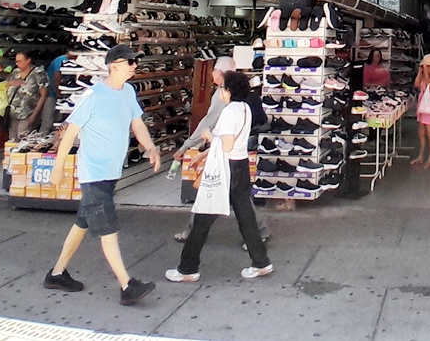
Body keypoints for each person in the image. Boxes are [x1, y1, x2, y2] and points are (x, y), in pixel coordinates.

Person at [43, 44, 160, 306]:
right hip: (93, 173)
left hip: (110, 173)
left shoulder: (128, 92)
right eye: (130, 62)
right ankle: (127, 285)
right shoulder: (92, 95)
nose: (134, 66)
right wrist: (58, 168)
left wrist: (150, 147)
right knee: (108, 228)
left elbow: (137, 123)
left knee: (83, 223)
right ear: (115, 66)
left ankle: (57, 274)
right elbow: (70, 133)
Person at [166, 70, 274, 282]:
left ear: (229, 90)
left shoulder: (228, 112)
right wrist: (205, 153)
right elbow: (234, 144)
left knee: (203, 217)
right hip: (240, 165)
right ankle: (261, 262)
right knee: (246, 216)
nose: (220, 91)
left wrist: (208, 136)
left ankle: (187, 269)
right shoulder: (244, 108)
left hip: (225, 169)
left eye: (222, 87)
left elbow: (226, 144)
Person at [7, 51, 49, 141]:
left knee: (23, 137)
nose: (17, 64)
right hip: (13, 111)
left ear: (28, 60)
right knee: (12, 139)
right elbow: (8, 86)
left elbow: (43, 95)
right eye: (16, 61)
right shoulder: (15, 72)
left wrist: (34, 115)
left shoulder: (38, 73)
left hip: (28, 112)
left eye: (20, 61)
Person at [410, 54, 430, 168]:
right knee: (421, 132)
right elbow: (416, 84)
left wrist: (426, 73)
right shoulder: (424, 76)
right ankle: (421, 156)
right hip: (422, 107)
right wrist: (420, 73)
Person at [39, 53, 67, 134]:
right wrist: (59, 95)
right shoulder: (60, 60)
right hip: (51, 94)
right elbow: (56, 78)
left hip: (60, 94)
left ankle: (52, 139)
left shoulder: (64, 60)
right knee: (47, 120)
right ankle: (42, 139)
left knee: (56, 120)